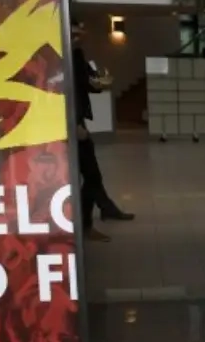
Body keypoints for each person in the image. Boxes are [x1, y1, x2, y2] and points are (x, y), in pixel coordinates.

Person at [71, 17, 133, 242]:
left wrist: (98, 84)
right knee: (90, 175)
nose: (79, 38)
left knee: (91, 174)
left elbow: (85, 84)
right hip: (72, 123)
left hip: (77, 121)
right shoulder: (59, 57)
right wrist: (75, 123)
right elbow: (65, 91)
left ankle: (104, 209)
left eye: (80, 34)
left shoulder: (76, 55)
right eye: (75, 34)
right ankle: (86, 225)